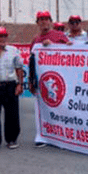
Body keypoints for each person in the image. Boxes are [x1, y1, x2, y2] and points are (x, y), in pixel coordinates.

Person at [28, 11, 70, 147]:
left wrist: (52, 46)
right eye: (40, 20)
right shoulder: (35, 40)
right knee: (44, 109)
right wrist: (30, 81)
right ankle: (44, 136)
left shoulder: (59, 35)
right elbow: (32, 61)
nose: (43, 22)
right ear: (37, 23)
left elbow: (71, 51)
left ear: (51, 21)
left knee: (62, 109)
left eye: (46, 19)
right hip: (43, 81)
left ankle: (64, 137)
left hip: (61, 81)